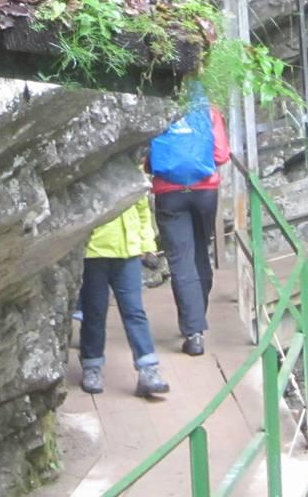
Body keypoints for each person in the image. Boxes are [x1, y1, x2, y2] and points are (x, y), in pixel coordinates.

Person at [150, 94, 230, 356]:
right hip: (205, 192)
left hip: (169, 193)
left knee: (181, 261)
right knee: (200, 252)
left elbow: (147, 158)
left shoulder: (156, 107)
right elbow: (221, 155)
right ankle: (197, 313)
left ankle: (194, 333)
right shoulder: (207, 109)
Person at [77, 196, 170, 399]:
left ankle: (148, 369)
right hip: (94, 252)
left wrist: (147, 246)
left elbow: (143, 211)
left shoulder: (133, 178)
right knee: (95, 311)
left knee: (134, 311)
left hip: (129, 252)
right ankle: (91, 365)